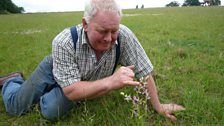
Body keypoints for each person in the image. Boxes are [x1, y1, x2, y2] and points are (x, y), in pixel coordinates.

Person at [0, 0, 185, 121]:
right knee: (16, 107)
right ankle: (11, 81)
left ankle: (47, 94)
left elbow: (144, 71)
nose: (109, 38)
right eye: (103, 31)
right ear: (85, 24)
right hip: (54, 69)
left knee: (51, 111)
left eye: (114, 31)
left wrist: (158, 107)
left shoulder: (124, 36)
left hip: (78, 79)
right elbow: (72, 91)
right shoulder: (64, 41)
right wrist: (111, 82)